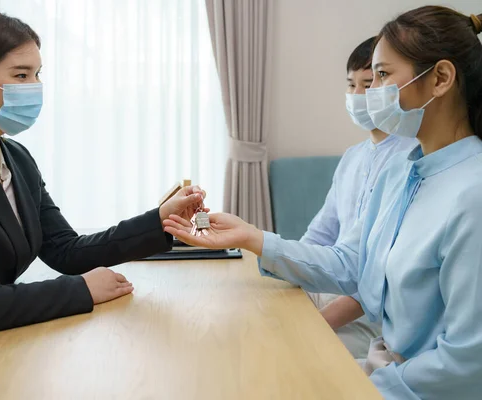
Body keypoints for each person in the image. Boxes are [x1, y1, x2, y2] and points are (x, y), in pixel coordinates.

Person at [0, 9, 206, 399]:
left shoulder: (15, 157)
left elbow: (66, 250)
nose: (34, 87)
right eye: (20, 75)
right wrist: (79, 291)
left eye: (37, 74)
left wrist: (158, 221)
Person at [165, 6, 482, 399]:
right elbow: (353, 264)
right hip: (389, 369)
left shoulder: (472, 194)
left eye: (382, 76)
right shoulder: (402, 171)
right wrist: (253, 237)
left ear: (441, 78)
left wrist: (371, 386)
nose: (371, 94)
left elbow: (470, 361)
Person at [301, 36, 417, 359]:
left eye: (368, 84)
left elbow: (377, 283)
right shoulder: (352, 158)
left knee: (297, 349)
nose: (357, 96)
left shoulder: (410, 159)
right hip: (332, 291)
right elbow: (319, 236)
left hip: (373, 318)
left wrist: (318, 322)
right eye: (350, 85)